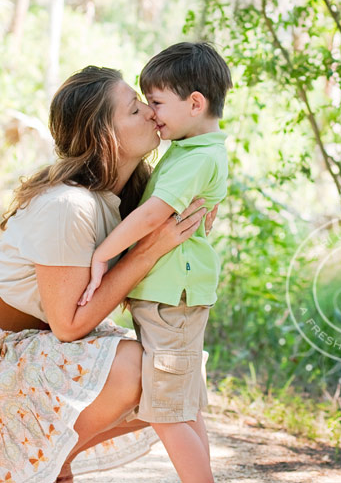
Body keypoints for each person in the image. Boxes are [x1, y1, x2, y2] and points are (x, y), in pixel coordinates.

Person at [0, 65, 216, 482]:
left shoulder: (129, 199)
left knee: (178, 369)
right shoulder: (69, 206)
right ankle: (35, 461)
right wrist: (147, 251)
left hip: (40, 345)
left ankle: (50, 461)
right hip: (11, 352)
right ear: (104, 136)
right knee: (140, 366)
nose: (153, 113)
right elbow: (68, 326)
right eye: (135, 109)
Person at [78, 42, 232, 483]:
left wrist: (102, 254)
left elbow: (152, 215)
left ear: (195, 103)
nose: (152, 112)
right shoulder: (193, 150)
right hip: (173, 300)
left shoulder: (197, 156)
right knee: (181, 408)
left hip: (173, 303)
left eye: (158, 102)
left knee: (166, 414)